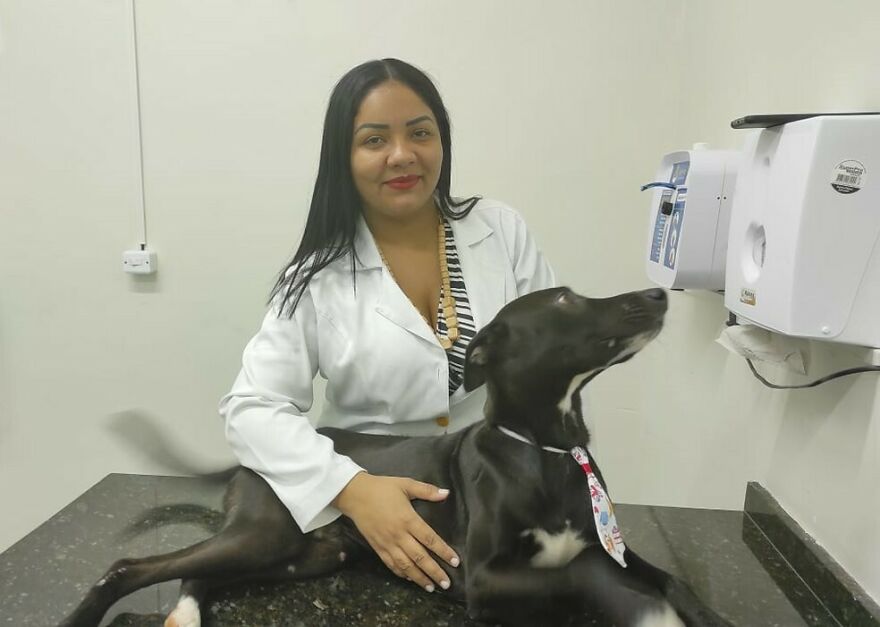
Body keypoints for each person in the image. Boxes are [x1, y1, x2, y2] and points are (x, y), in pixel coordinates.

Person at [220, 58, 555, 596]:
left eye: (420, 133)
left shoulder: (500, 231)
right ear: (344, 158)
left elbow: (548, 363)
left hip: (494, 506)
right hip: (365, 526)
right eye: (375, 140)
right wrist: (350, 489)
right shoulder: (316, 276)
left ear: (441, 141)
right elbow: (251, 408)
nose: (403, 155)